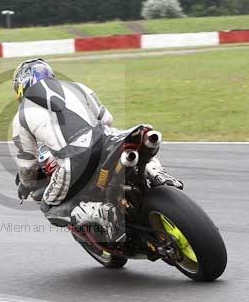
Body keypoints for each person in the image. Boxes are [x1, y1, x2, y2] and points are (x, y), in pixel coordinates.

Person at [11, 58, 182, 242]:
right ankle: (157, 172)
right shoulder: (77, 87)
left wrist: (26, 184)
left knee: (49, 208)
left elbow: (28, 164)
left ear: (21, 86)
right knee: (138, 142)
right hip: (106, 140)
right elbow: (106, 119)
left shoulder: (21, 116)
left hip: (74, 160)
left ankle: (100, 213)